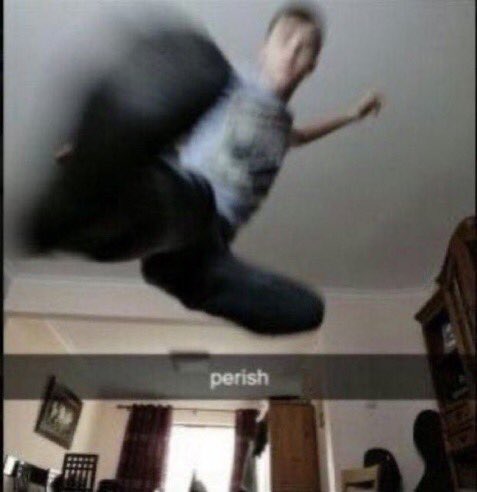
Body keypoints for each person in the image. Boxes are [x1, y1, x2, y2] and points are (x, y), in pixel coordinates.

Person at [25, 2, 382, 335]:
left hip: (211, 241)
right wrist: (103, 150)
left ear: (311, 66)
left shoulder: (283, 128)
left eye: (304, 49)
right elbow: (185, 90)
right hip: (186, 194)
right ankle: (89, 201)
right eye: (285, 39)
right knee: (200, 66)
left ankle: (184, 270)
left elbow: (301, 137)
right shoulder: (232, 84)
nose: (291, 52)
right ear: (264, 48)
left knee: (307, 311)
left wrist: (351, 115)